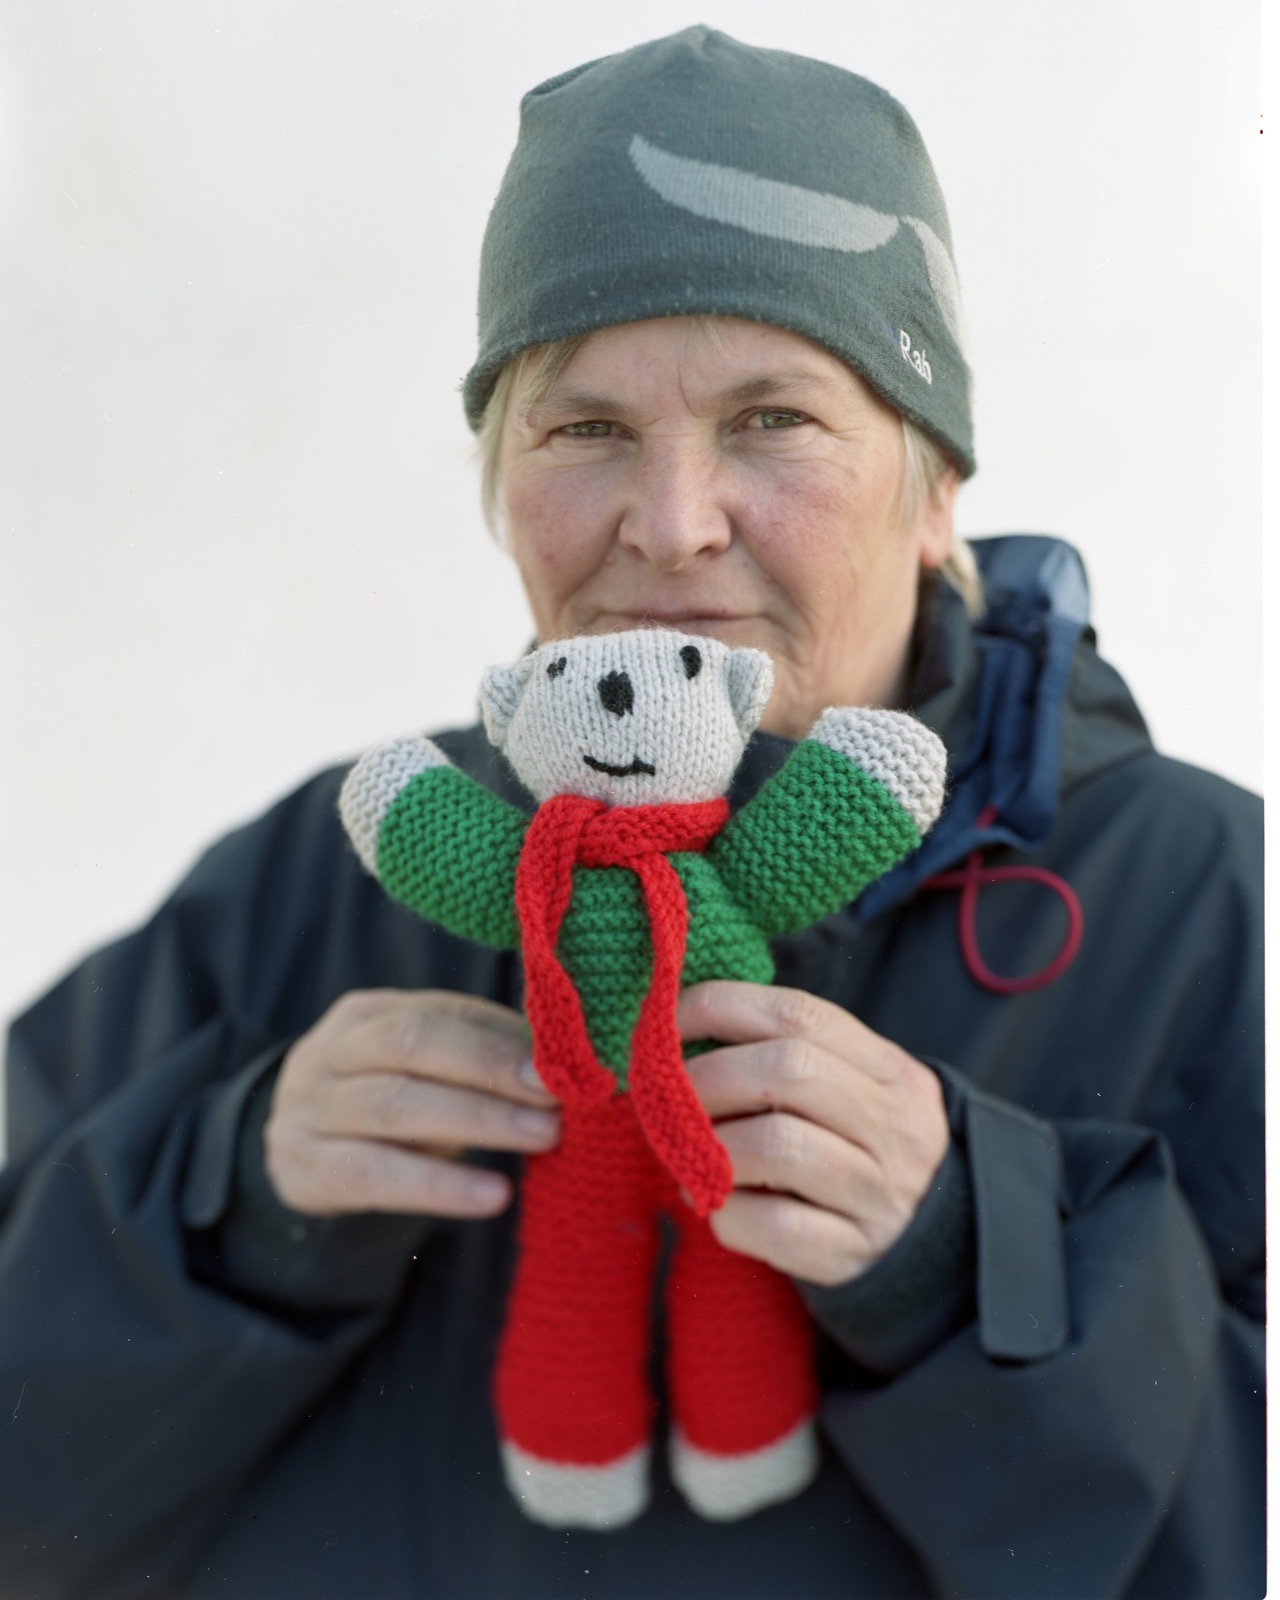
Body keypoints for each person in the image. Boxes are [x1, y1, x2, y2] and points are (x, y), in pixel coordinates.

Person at [0, 27, 1263, 1600]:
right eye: (586, 429)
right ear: (500, 485)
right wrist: (218, 1212)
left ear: (936, 486)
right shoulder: (326, 891)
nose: (671, 527)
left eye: (774, 419)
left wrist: (975, 1262)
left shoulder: (1204, 908)